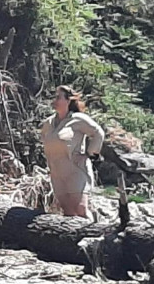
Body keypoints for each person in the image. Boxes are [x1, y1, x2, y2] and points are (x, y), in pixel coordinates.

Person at [40, 85, 105, 220]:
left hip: (76, 171)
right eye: (54, 97)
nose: (54, 100)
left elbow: (98, 133)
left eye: (58, 97)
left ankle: (93, 236)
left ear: (68, 101)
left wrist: (89, 154)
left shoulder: (78, 119)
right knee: (68, 213)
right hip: (57, 174)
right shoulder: (49, 123)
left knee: (81, 210)